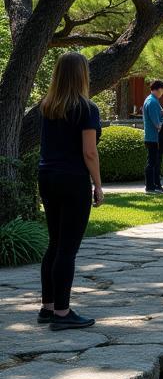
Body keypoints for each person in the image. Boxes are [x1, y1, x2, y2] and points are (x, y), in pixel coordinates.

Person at [37, 52, 104, 330]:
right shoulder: (87, 109)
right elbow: (89, 152)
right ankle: (63, 314)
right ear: (82, 75)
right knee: (68, 248)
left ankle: (48, 306)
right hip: (73, 178)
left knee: (54, 243)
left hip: (47, 176)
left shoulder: (47, 107)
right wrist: (98, 185)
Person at [143, 80, 163, 194]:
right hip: (153, 138)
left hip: (155, 138)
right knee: (152, 162)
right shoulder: (152, 102)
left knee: (157, 162)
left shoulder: (153, 100)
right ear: (159, 88)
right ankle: (150, 187)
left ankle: (157, 185)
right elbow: (157, 123)